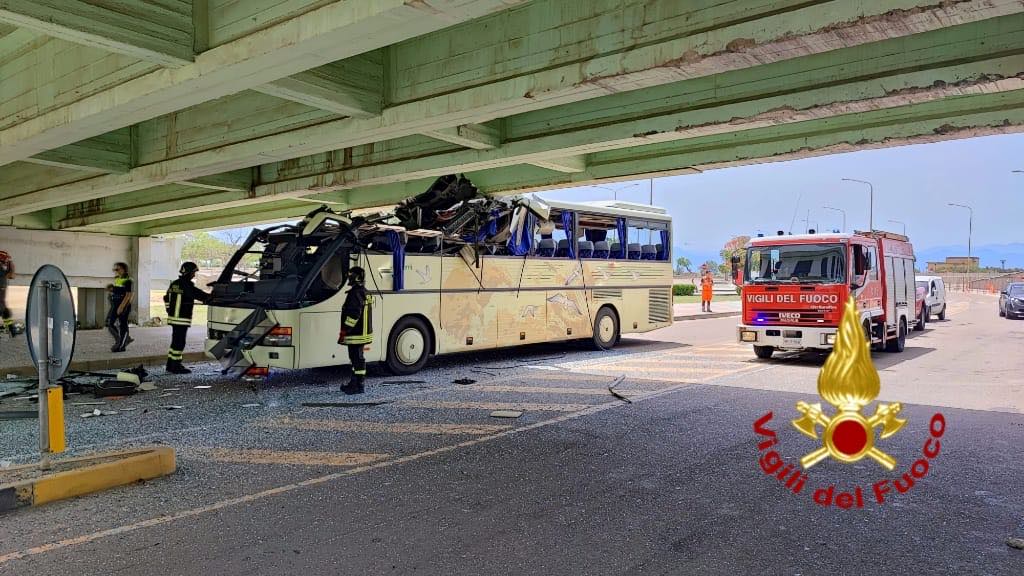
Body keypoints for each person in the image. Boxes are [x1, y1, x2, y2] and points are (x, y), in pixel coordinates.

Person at [163, 262, 209, 374]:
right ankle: (175, 366)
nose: (194, 275)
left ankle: (170, 364)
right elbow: (200, 295)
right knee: (179, 343)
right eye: (193, 272)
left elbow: (166, 298)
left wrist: (169, 310)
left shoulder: (174, 284)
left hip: (174, 318)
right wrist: (212, 297)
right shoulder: (187, 285)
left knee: (175, 342)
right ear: (189, 272)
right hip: (182, 319)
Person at [338, 266, 373, 395]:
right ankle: (355, 383)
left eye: (350, 275)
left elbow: (354, 314)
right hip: (361, 333)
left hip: (356, 333)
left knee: (357, 359)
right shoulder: (364, 291)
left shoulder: (355, 293)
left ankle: (358, 386)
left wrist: (346, 329)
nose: (349, 277)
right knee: (356, 358)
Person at [107, 262, 134, 352]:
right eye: (115, 269)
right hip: (116, 304)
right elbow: (118, 290)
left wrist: (121, 307)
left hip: (123, 305)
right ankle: (122, 340)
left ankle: (122, 346)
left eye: (117, 269)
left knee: (123, 325)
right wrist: (112, 290)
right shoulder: (117, 279)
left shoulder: (128, 280)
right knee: (110, 323)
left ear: (123, 269)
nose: (116, 271)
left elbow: (128, 295)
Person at [0, 250, 13, 335]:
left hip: (2, 290)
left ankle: (9, 327)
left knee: (3, 308)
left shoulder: (1, 267)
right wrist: (10, 267)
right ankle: (10, 327)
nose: (6, 261)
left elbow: (9, 275)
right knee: (3, 309)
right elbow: (9, 275)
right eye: (5, 259)